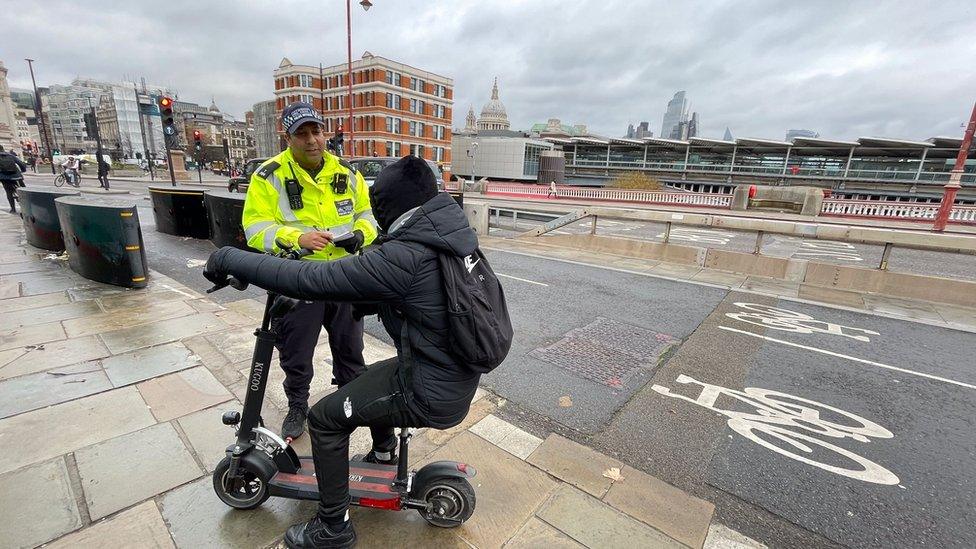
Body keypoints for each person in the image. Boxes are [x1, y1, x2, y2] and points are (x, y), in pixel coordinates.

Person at [205, 155, 484, 549]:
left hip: (428, 384)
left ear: (392, 204)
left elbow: (309, 278)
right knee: (366, 382)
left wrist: (227, 257)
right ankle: (385, 453)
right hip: (443, 367)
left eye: (379, 202)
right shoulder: (449, 235)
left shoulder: (405, 256)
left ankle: (334, 527)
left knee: (324, 419)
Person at [241, 101, 381, 446]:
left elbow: (368, 214)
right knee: (295, 352)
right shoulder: (269, 175)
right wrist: (298, 239)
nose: (311, 140)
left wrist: (362, 233)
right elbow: (254, 228)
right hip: (297, 280)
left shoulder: (347, 173)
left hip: (344, 277)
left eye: (316, 131)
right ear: (287, 138)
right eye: (301, 134)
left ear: (324, 133)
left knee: (351, 350)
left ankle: (349, 402)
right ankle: (297, 406)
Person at [0, 146, 27, 214]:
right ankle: (28, 206)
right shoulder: (11, 155)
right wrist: (23, 170)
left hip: (4, 177)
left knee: (9, 192)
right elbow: (20, 163)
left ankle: (13, 209)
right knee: (24, 191)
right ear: (3, 149)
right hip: (17, 176)